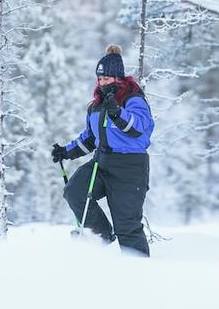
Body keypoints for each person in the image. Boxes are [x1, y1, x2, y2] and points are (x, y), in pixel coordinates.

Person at [52, 45, 154, 256]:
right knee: (74, 192)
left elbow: (139, 128)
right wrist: (66, 151)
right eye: (99, 79)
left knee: (127, 225)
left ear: (118, 78)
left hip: (130, 168)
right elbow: (90, 137)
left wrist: (117, 113)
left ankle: (140, 270)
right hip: (102, 162)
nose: (102, 83)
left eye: (106, 78)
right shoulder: (96, 106)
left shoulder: (133, 99)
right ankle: (102, 235)